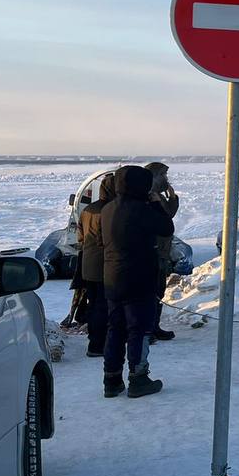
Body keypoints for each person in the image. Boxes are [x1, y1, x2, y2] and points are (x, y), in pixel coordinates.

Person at [101, 165, 174, 398]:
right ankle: (139, 378)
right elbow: (166, 228)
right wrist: (154, 202)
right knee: (139, 329)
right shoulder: (141, 209)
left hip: (112, 278)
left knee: (115, 329)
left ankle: (111, 380)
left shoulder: (108, 209)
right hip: (138, 278)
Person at [76, 171, 116, 357]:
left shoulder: (88, 210)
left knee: (94, 304)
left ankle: (94, 339)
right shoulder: (110, 211)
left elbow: (81, 237)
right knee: (102, 305)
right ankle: (98, 345)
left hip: (87, 264)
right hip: (103, 265)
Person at [145, 161, 179, 343]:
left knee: (159, 290)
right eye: (163, 175)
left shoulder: (158, 196)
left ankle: (154, 327)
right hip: (153, 251)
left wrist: (172, 197)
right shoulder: (148, 197)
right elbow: (162, 219)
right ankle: (146, 330)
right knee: (150, 292)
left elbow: (169, 215)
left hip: (162, 252)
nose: (166, 179)